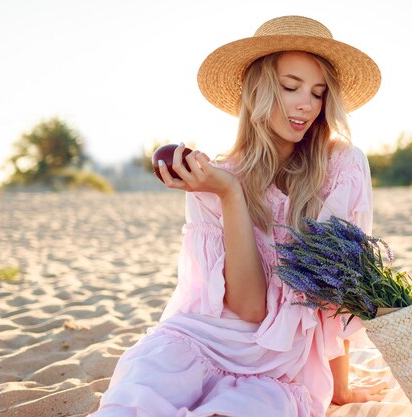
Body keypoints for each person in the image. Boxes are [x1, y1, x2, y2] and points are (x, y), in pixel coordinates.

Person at [89, 15, 386, 417]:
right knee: (135, 402)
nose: (306, 104)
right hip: (199, 339)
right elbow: (247, 307)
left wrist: (341, 388)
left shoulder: (342, 166)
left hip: (280, 367)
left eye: (317, 93)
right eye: (290, 86)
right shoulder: (216, 177)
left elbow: (342, 286)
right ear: (257, 90)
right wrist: (229, 193)